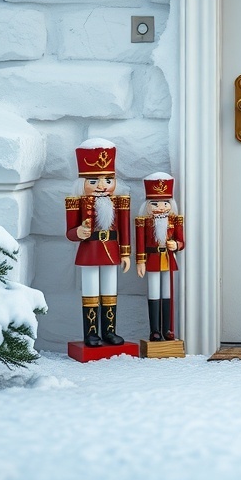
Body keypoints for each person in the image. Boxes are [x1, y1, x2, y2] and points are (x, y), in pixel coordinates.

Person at [66, 139, 131, 347]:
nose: (102, 186)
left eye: (107, 180)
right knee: (91, 292)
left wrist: (127, 253)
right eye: (93, 181)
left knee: (110, 292)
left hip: (112, 250)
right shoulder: (76, 202)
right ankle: (91, 333)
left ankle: (109, 331)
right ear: (82, 183)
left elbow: (125, 229)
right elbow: (69, 232)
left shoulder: (119, 201)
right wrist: (79, 231)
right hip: (90, 251)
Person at [135, 173, 184, 342]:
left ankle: (168, 329)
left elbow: (181, 240)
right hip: (153, 259)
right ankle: (154, 330)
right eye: (155, 203)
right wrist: (140, 261)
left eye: (165, 203)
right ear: (147, 204)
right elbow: (140, 243)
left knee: (167, 294)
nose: (161, 207)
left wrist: (176, 245)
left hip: (168, 259)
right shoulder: (144, 222)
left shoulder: (175, 220)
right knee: (154, 293)